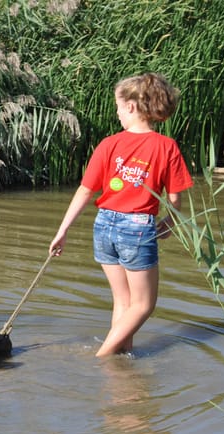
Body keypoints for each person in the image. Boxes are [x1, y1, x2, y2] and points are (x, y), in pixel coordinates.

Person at [49, 73, 193, 357]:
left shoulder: (109, 144)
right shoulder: (166, 147)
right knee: (144, 305)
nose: (116, 112)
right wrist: (169, 222)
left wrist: (62, 231)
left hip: (104, 224)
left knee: (124, 302)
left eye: (117, 106)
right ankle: (103, 357)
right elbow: (175, 201)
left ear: (131, 106)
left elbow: (85, 191)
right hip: (136, 228)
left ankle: (120, 361)